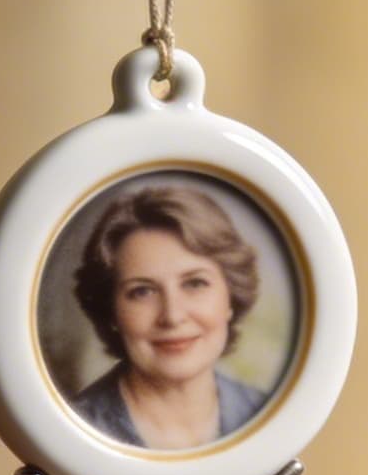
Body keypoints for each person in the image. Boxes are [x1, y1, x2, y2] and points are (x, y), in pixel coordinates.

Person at [67, 180, 272, 450]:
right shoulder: (74, 433)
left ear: (230, 296)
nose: (173, 316)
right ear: (112, 312)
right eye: (142, 291)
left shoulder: (266, 415)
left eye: (195, 283)